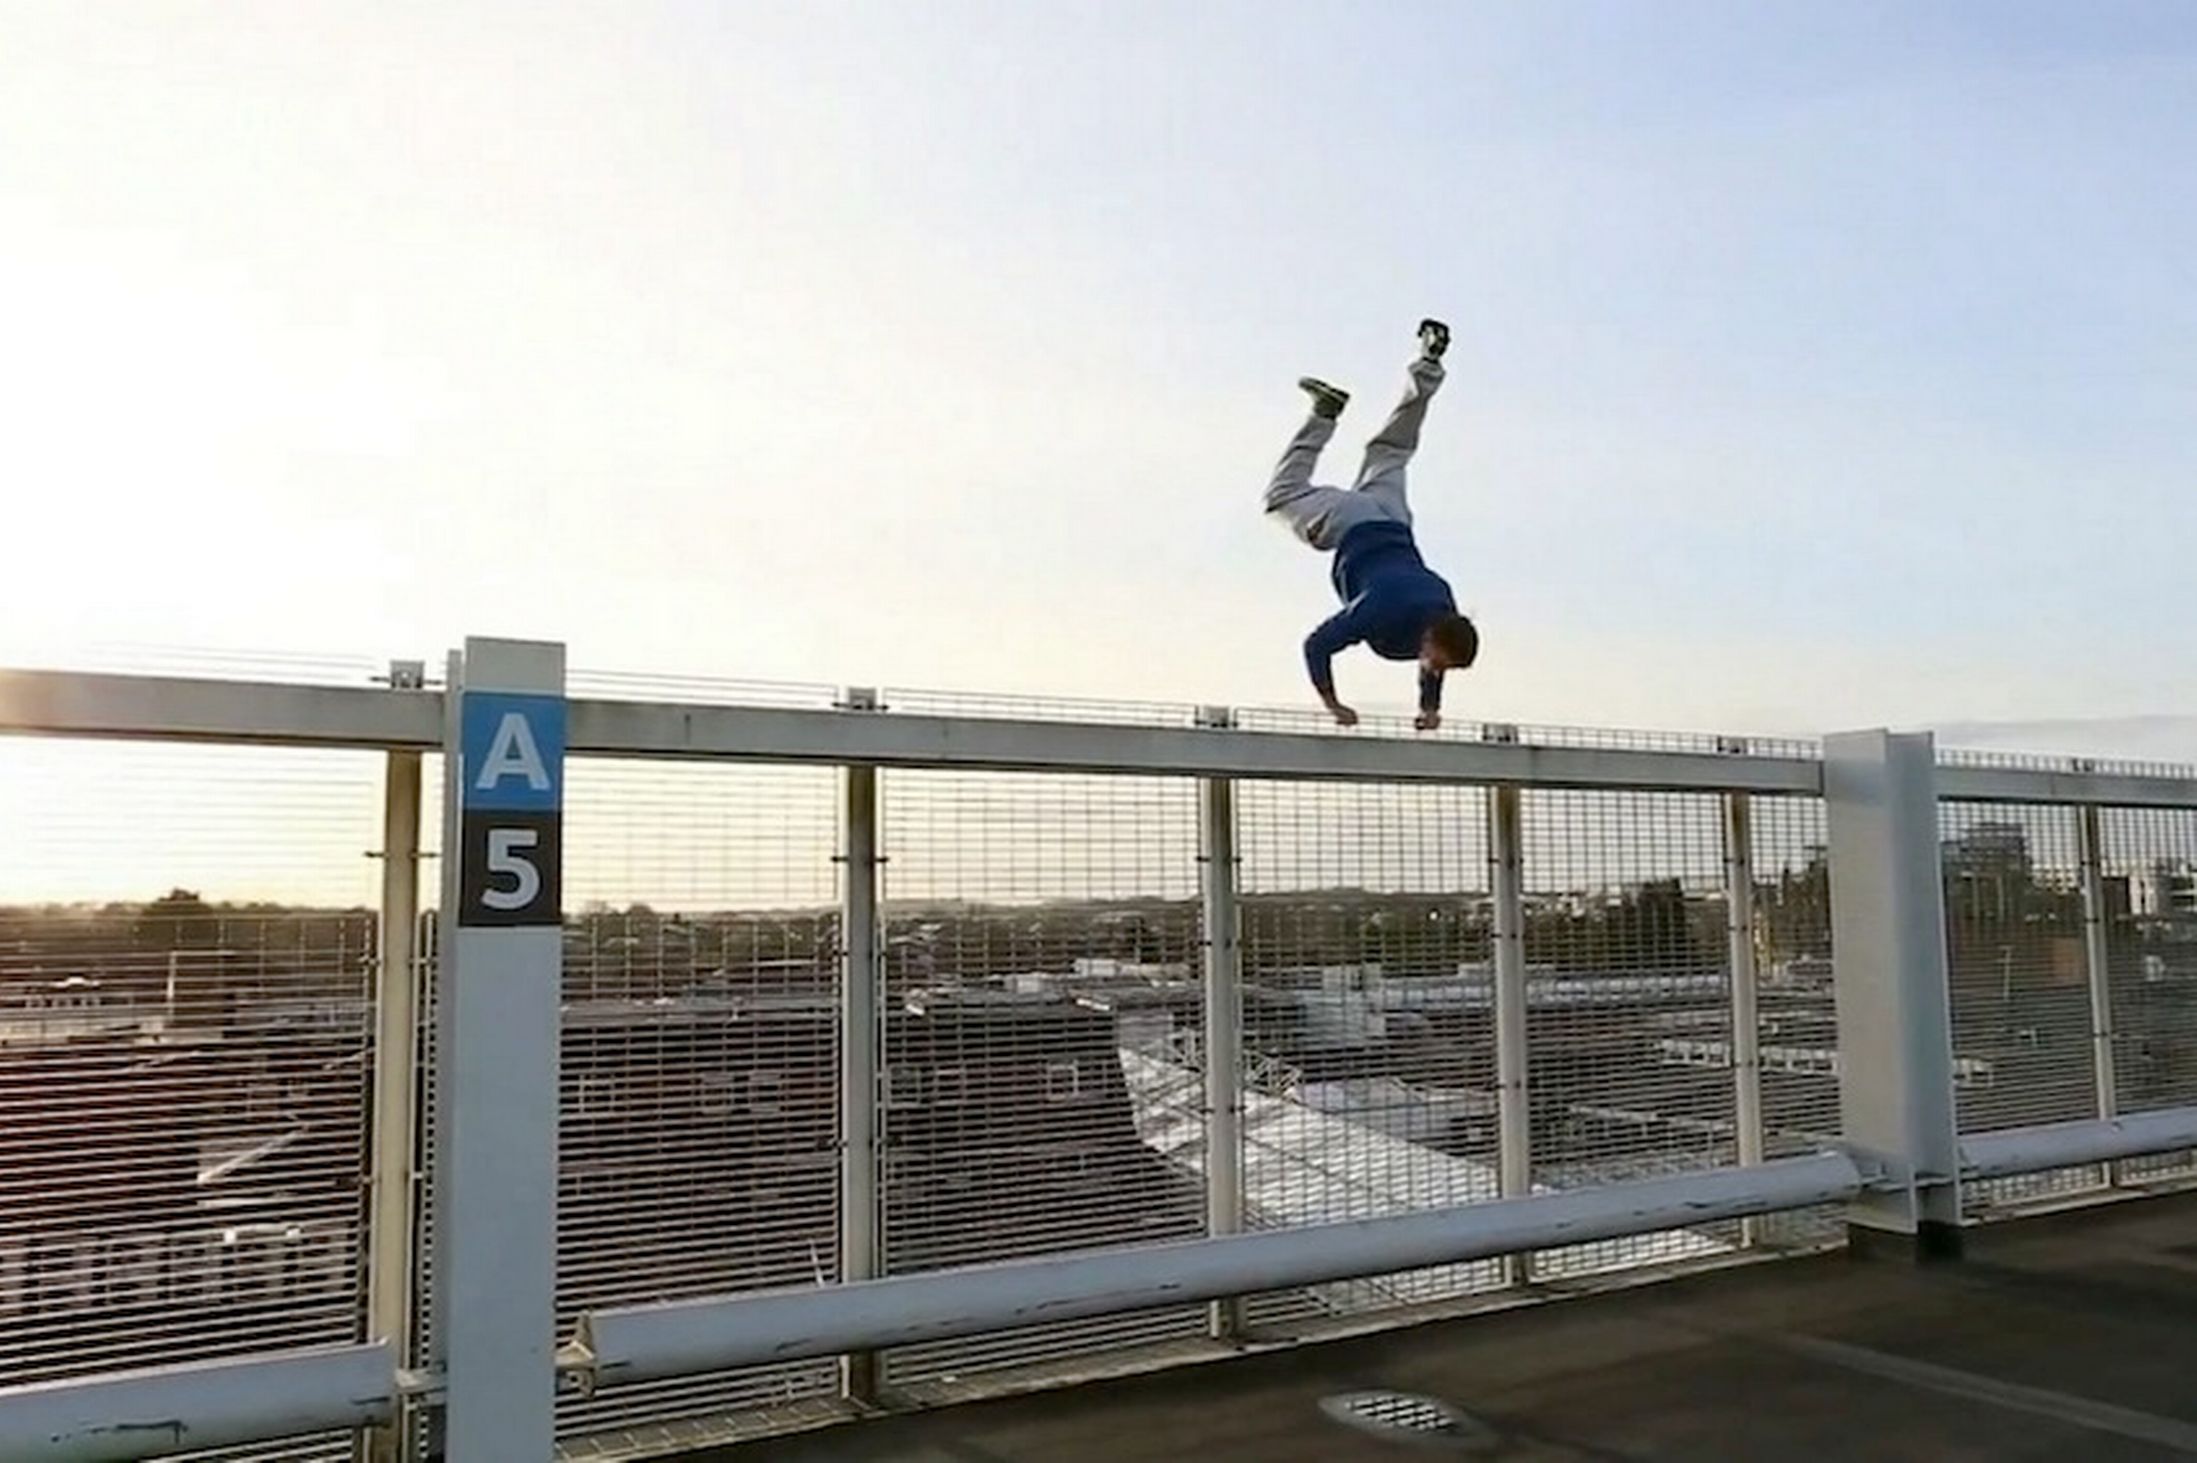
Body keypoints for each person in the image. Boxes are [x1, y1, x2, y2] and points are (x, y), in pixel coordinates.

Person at [1262, 318, 1479, 730]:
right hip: (1356, 525)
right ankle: (1323, 414)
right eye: (1438, 661)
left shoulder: (1443, 607)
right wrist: (1333, 704)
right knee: (1281, 498)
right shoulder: (1379, 610)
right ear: (1433, 638)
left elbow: (1432, 664)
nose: (1434, 669)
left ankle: (1428, 363)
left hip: (1395, 520)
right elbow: (1316, 645)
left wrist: (1429, 708)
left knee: (1393, 448)